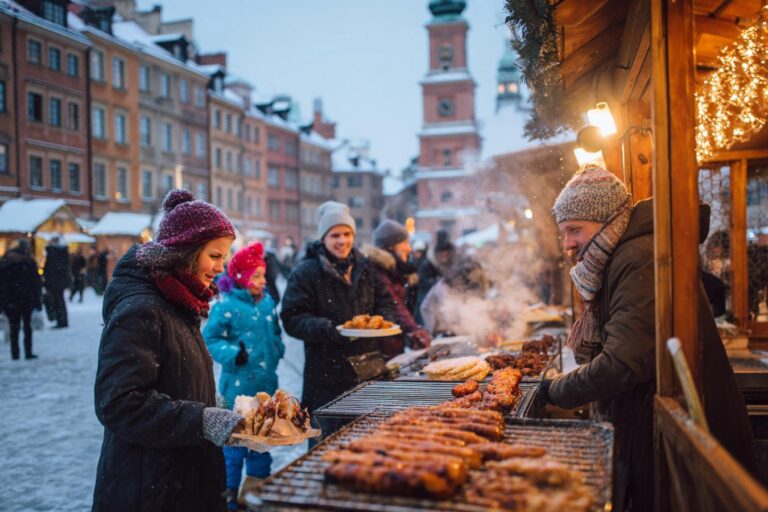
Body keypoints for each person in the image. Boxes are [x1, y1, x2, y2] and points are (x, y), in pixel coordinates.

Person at [536, 164, 756, 511]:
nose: (568, 244)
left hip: (688, 432)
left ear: (606, 219)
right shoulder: (625, 253)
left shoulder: (638, 257)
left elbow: (623, 362)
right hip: (661, 425)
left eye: (574, 230)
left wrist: (555, 389)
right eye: (563, 233)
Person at [92, 189, 243, 512]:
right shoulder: (142, 309)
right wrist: (200, 418)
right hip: (149, 487)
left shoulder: (180, 302)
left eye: (224, 257)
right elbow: (118, 403)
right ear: (185, 252)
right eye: (214, 256)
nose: (221, 267)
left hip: (182, 479)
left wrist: (208, 404)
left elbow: (169, 378)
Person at [281, 201, 397, 412]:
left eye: (347, 234)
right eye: (335, 235)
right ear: (323, 238)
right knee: (329, 438)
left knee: (370, 437)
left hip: (369, 369)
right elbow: (292, 318)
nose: (342, 241)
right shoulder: (306, 273)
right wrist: (330, 329)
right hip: (326, 374)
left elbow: (387, 302)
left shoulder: (366, 268)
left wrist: (384, 321)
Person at [203, 242, 285, 509]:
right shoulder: (225, 304)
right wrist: (231, 353)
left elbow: (274, 331)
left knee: (260, 444)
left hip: (265, 387)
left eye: (263, 275)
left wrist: (277, 347)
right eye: (256, 276)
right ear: (240, 277)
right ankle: (229, 498)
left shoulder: (267, 302)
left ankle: (255, 494)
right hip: (236, 391)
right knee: (235, 449)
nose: (263, 281)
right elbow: (211, 338)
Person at [363, 220, 431, 359]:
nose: (409, 249)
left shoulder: (398, 271)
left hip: (393, 343)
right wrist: (415, 330)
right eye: (405, 243)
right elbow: (395, 305)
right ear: (391, 247)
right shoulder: (379, 271)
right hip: (380, 347)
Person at [419, 256, 489, 337]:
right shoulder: (444, 287)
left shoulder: (477, 275)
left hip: (450, 320)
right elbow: (450, 313)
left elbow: (477, 300)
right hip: (434, 318)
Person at [0, 239, 42, 360]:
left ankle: (15, 353)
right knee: (27, 327)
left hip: (10, 300)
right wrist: (37, 301)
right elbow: (36, 283)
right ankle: (28, 352)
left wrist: (2, 303)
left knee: (14, 327)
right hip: (26, 299)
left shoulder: (5, 262)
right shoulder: (28, 262)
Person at [415, 229, 455, 324]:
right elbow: (423, 283)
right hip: (431, 304)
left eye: (446, 254)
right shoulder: (427, 265)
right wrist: (438, 282)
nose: (444, 258)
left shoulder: (454, 264)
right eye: (442, 255)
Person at [43, 235, 70, 328]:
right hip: (59, 281)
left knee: (57, 301)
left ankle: (61, 321)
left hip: (54, 281)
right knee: (59, 301)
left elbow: (50, 268)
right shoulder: (62, 252)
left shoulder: (53, 252)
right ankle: (62, 320)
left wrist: (47, 280)